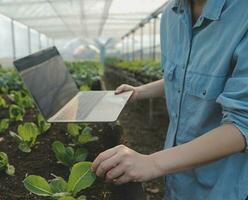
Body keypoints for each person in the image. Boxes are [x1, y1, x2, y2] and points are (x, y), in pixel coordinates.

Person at [92, 0, 248, 199]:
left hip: (221, 184)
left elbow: (243, 125)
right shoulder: (171, 16)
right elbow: (182, 79)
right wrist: (140, 91)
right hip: (175, 173)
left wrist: (152, 163)